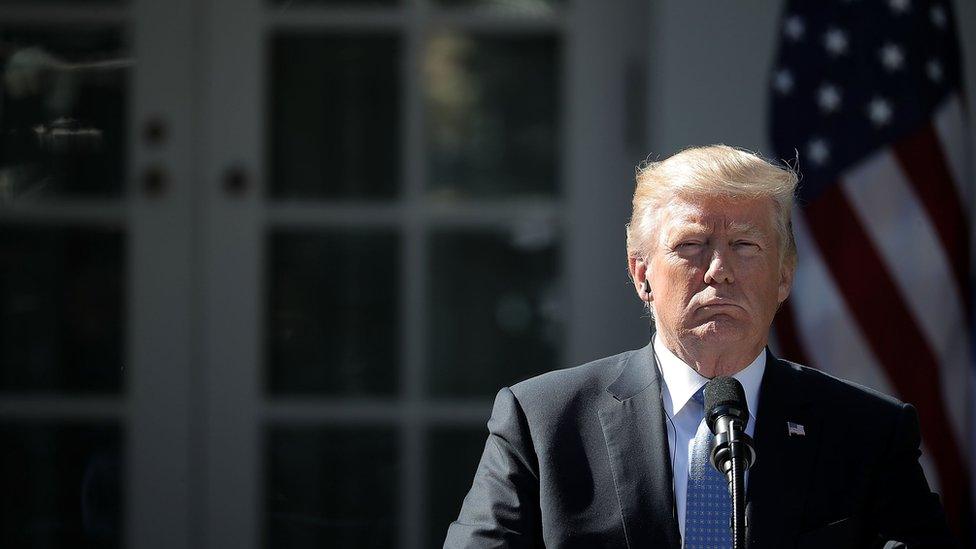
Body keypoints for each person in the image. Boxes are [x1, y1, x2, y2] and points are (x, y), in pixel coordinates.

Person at [443, 145, 955, 548]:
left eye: (745, 246)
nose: (719, 270)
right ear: (641, 273)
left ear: (784, 275)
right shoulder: (543, 423)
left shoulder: (867, 432)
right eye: (691, 246)